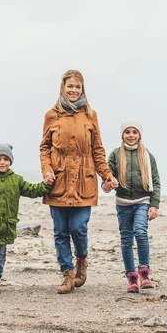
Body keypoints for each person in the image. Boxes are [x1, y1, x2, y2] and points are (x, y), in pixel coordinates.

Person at [40, 69, 118, 294]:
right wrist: (46, 170)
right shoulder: (51, 115)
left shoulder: (91, 115)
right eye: (70, 86)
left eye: (77, 87)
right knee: (60, 232)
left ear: (82, 89)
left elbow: (97, 150)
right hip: (58, 182)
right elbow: (44, 148)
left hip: (84, 183)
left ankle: (81, 260)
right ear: (62, 88)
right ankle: (67, 273)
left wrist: (107, 175)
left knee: (78, 227)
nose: (73, 90)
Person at [0, 143, 52, 295]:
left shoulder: (17, 180)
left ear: (10, 161)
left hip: (5, 227)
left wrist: (46, 185)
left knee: (0, 257)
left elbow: (32, 190)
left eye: (6, 159)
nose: (2, 162)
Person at [103, 120, 160, 292]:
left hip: (142, 201)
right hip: (123, 204)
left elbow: (156, 181)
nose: (131, 135)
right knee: (126, 239)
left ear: (139, 135)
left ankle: (144, 272)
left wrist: (154, 205)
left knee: (141, 233)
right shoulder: (115, 155)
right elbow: (106, 179)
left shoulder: (147, 156)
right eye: (127, 132)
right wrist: (107, 185)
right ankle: (132, 278)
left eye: (134, 132)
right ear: (122, 135)